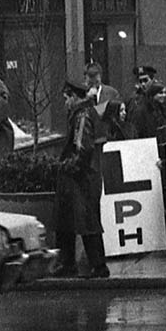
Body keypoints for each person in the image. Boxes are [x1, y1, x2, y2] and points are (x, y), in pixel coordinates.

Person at [54, 79, 110, 279]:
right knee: (70, 221)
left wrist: (68, 166)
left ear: (73, 97)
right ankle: (70, 264)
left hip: (82, 177)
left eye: (66, 98)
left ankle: (97, 266)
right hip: (85, 176)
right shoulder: (84, 113)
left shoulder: (82, 115)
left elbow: (83, 148)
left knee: (86, 221)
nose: (64, 103)